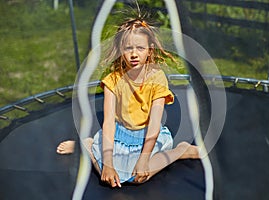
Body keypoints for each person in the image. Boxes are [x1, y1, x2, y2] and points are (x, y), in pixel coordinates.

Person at [57, 17, 201, 188]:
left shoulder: (157, 78)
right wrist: (108, 164)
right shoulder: (113, 80)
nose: (134, 54)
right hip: (119, 135)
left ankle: (181, 151)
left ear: (150, 50)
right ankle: (87, 145)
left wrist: (144, 159)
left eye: (140, 48)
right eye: (128, 48)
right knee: (108, 173)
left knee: (138, 177)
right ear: (120, 50)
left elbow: (155, 124)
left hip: (148, 137)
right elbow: (109, 122)